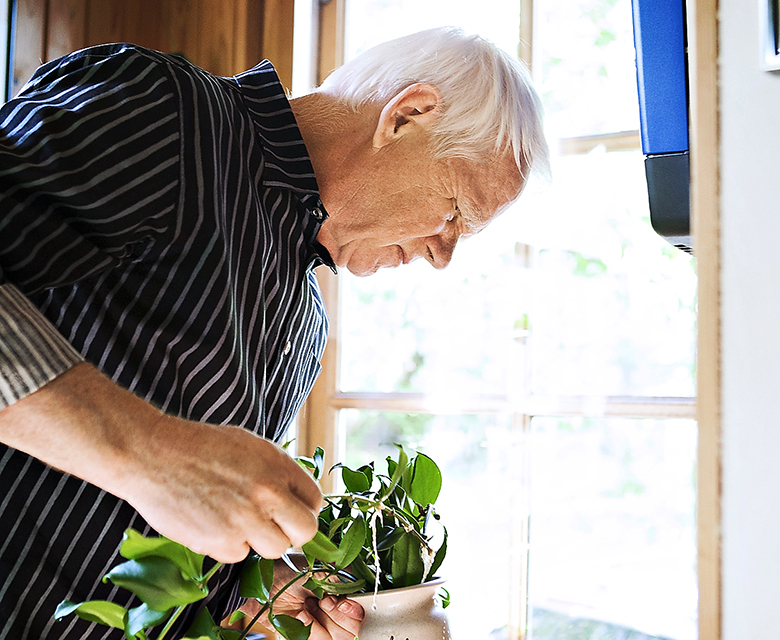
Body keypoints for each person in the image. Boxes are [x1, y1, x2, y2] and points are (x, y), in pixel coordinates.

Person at [0, 26, 548, 639]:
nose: (443, 256)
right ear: (406, 116)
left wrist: (251, 593)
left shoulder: (305, 320)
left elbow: (161, 524)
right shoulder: (172, 117)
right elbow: (161, 473)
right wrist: (146, 453)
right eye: (453, 212)